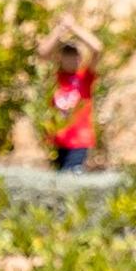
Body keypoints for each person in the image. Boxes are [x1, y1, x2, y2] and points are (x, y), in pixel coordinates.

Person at [39, 17, 102, 172]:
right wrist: (60, 29)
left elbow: (97, 48)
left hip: (79, 141)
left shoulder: (85, 78)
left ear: (79, 57)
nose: (70, 58)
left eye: (74, 54)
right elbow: (42, 53)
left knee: (72, 175)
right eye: (67, 54)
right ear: (60, 57)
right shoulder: (56, 78)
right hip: (58, 140)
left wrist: (74, 27)